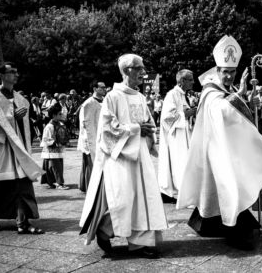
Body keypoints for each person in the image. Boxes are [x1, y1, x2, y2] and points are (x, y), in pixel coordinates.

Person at [176, 35, 262, 250]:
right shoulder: (210, 90)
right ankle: (232, 227)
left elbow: (234, 112)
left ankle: (211, 223)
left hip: (229, 147)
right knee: (226, 185)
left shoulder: (224, 90)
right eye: (225, 72)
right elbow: (220, 111)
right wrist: (240, 96)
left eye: (232, 72)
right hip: (215, 150)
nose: (228, 76)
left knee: (225, 187)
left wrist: (248, 100)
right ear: (217, 71)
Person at [79, 54, 167, 259]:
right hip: (120, 156)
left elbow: (149, 122)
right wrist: (137, 129)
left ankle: (140, 243)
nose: (143, 73)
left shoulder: (140, 96)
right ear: (127, 70)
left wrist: (148, 131)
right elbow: (108, 130)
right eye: (140, 69)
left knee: (144, 199)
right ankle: (104, 229)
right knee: (123, 200)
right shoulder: (113, 96)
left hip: (140, 155)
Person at [0, 62, 44, 234]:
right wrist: (11, 118)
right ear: (1, 75)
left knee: (22, 184)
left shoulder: (20, 99)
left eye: (17, 72)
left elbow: (25, 127)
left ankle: (22, 222)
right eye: (12, 72)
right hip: (1, 149)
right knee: (0, 185)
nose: (16, 75)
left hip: (18, 149)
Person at [158, 69, 195, 201]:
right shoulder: (172, 95)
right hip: (176, 136)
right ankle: (182, 192)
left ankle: (186, 191)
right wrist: (187, 114)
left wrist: (190, 113)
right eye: (190, 79)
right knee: (180, 163)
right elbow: (167, 117)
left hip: (184, 134)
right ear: (182, 81)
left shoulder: (182, 95)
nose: (193, 82)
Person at [77, 80, 106, 192]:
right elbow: (86, 125)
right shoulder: (88, 103)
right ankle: (91, 187)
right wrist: (91, 141)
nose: (104, 89)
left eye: (104, 87)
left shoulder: (105, 101)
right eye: (101, 87)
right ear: (94, 89)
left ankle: (85, 185)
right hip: (90, 138)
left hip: (101, 136)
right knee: (91, 163)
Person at [40, 103, 69, 190]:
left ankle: (52, 182)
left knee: (56, 166)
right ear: (54, 115)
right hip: (52, 150)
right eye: (59, 114)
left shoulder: (60, 124)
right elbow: (46, 139)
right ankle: (59, 184)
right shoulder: (49, 126)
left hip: (59, 149)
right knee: (56, 167)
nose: (61, 115)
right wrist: (54, 143)